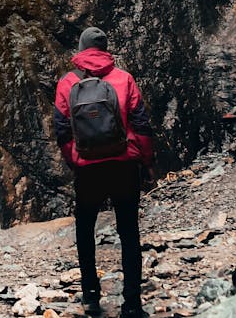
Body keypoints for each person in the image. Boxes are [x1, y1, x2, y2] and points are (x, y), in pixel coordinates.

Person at [54, 27, 156, 318]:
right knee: (129, 233)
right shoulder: (124, 79)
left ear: (81, 48)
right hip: (124, 165)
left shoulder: (67, 82)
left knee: (85, 231)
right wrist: (147, 162)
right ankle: (133, 303)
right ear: (106, 48)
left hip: (88, 169)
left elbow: (62, 130)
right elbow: (141, 124)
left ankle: (90, 296)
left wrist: (75, 160)